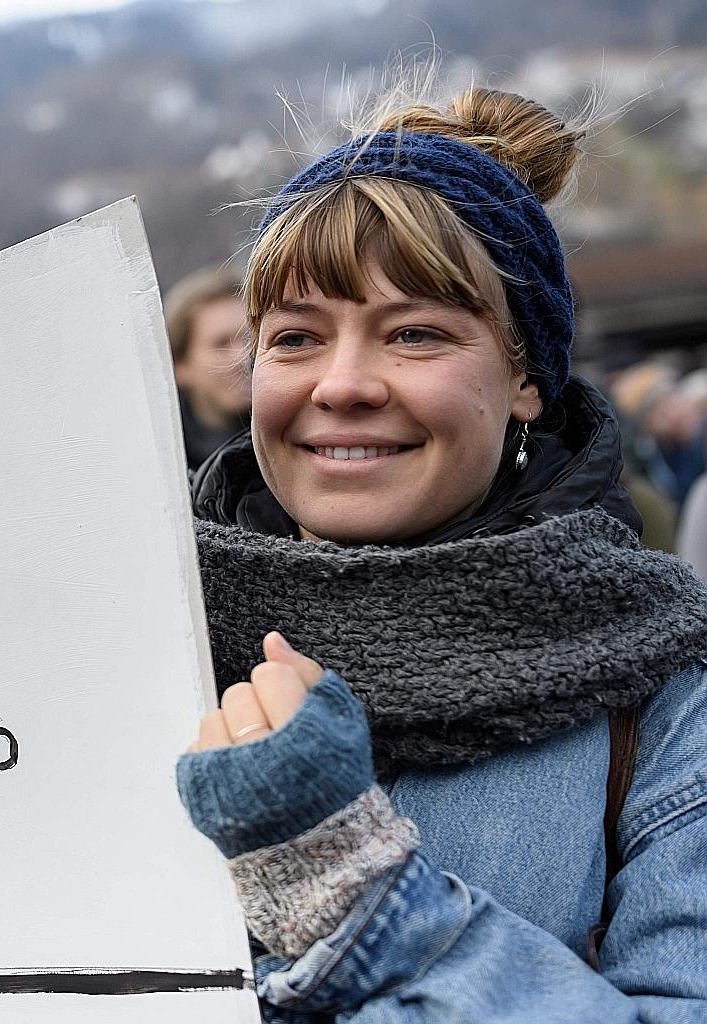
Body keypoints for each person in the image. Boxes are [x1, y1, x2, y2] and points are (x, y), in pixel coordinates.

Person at [176, 86, 707, 1019]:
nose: (341, 385)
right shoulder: (134, 645)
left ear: (525, 381)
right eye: (295, 337)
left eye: (415, 333)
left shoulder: (664, 698)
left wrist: (355, 891)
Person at [163, 264, 251, 471]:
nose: (244, 356)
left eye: (249, 338)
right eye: (221, 344)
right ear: (180, 366)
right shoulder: (164, 462)